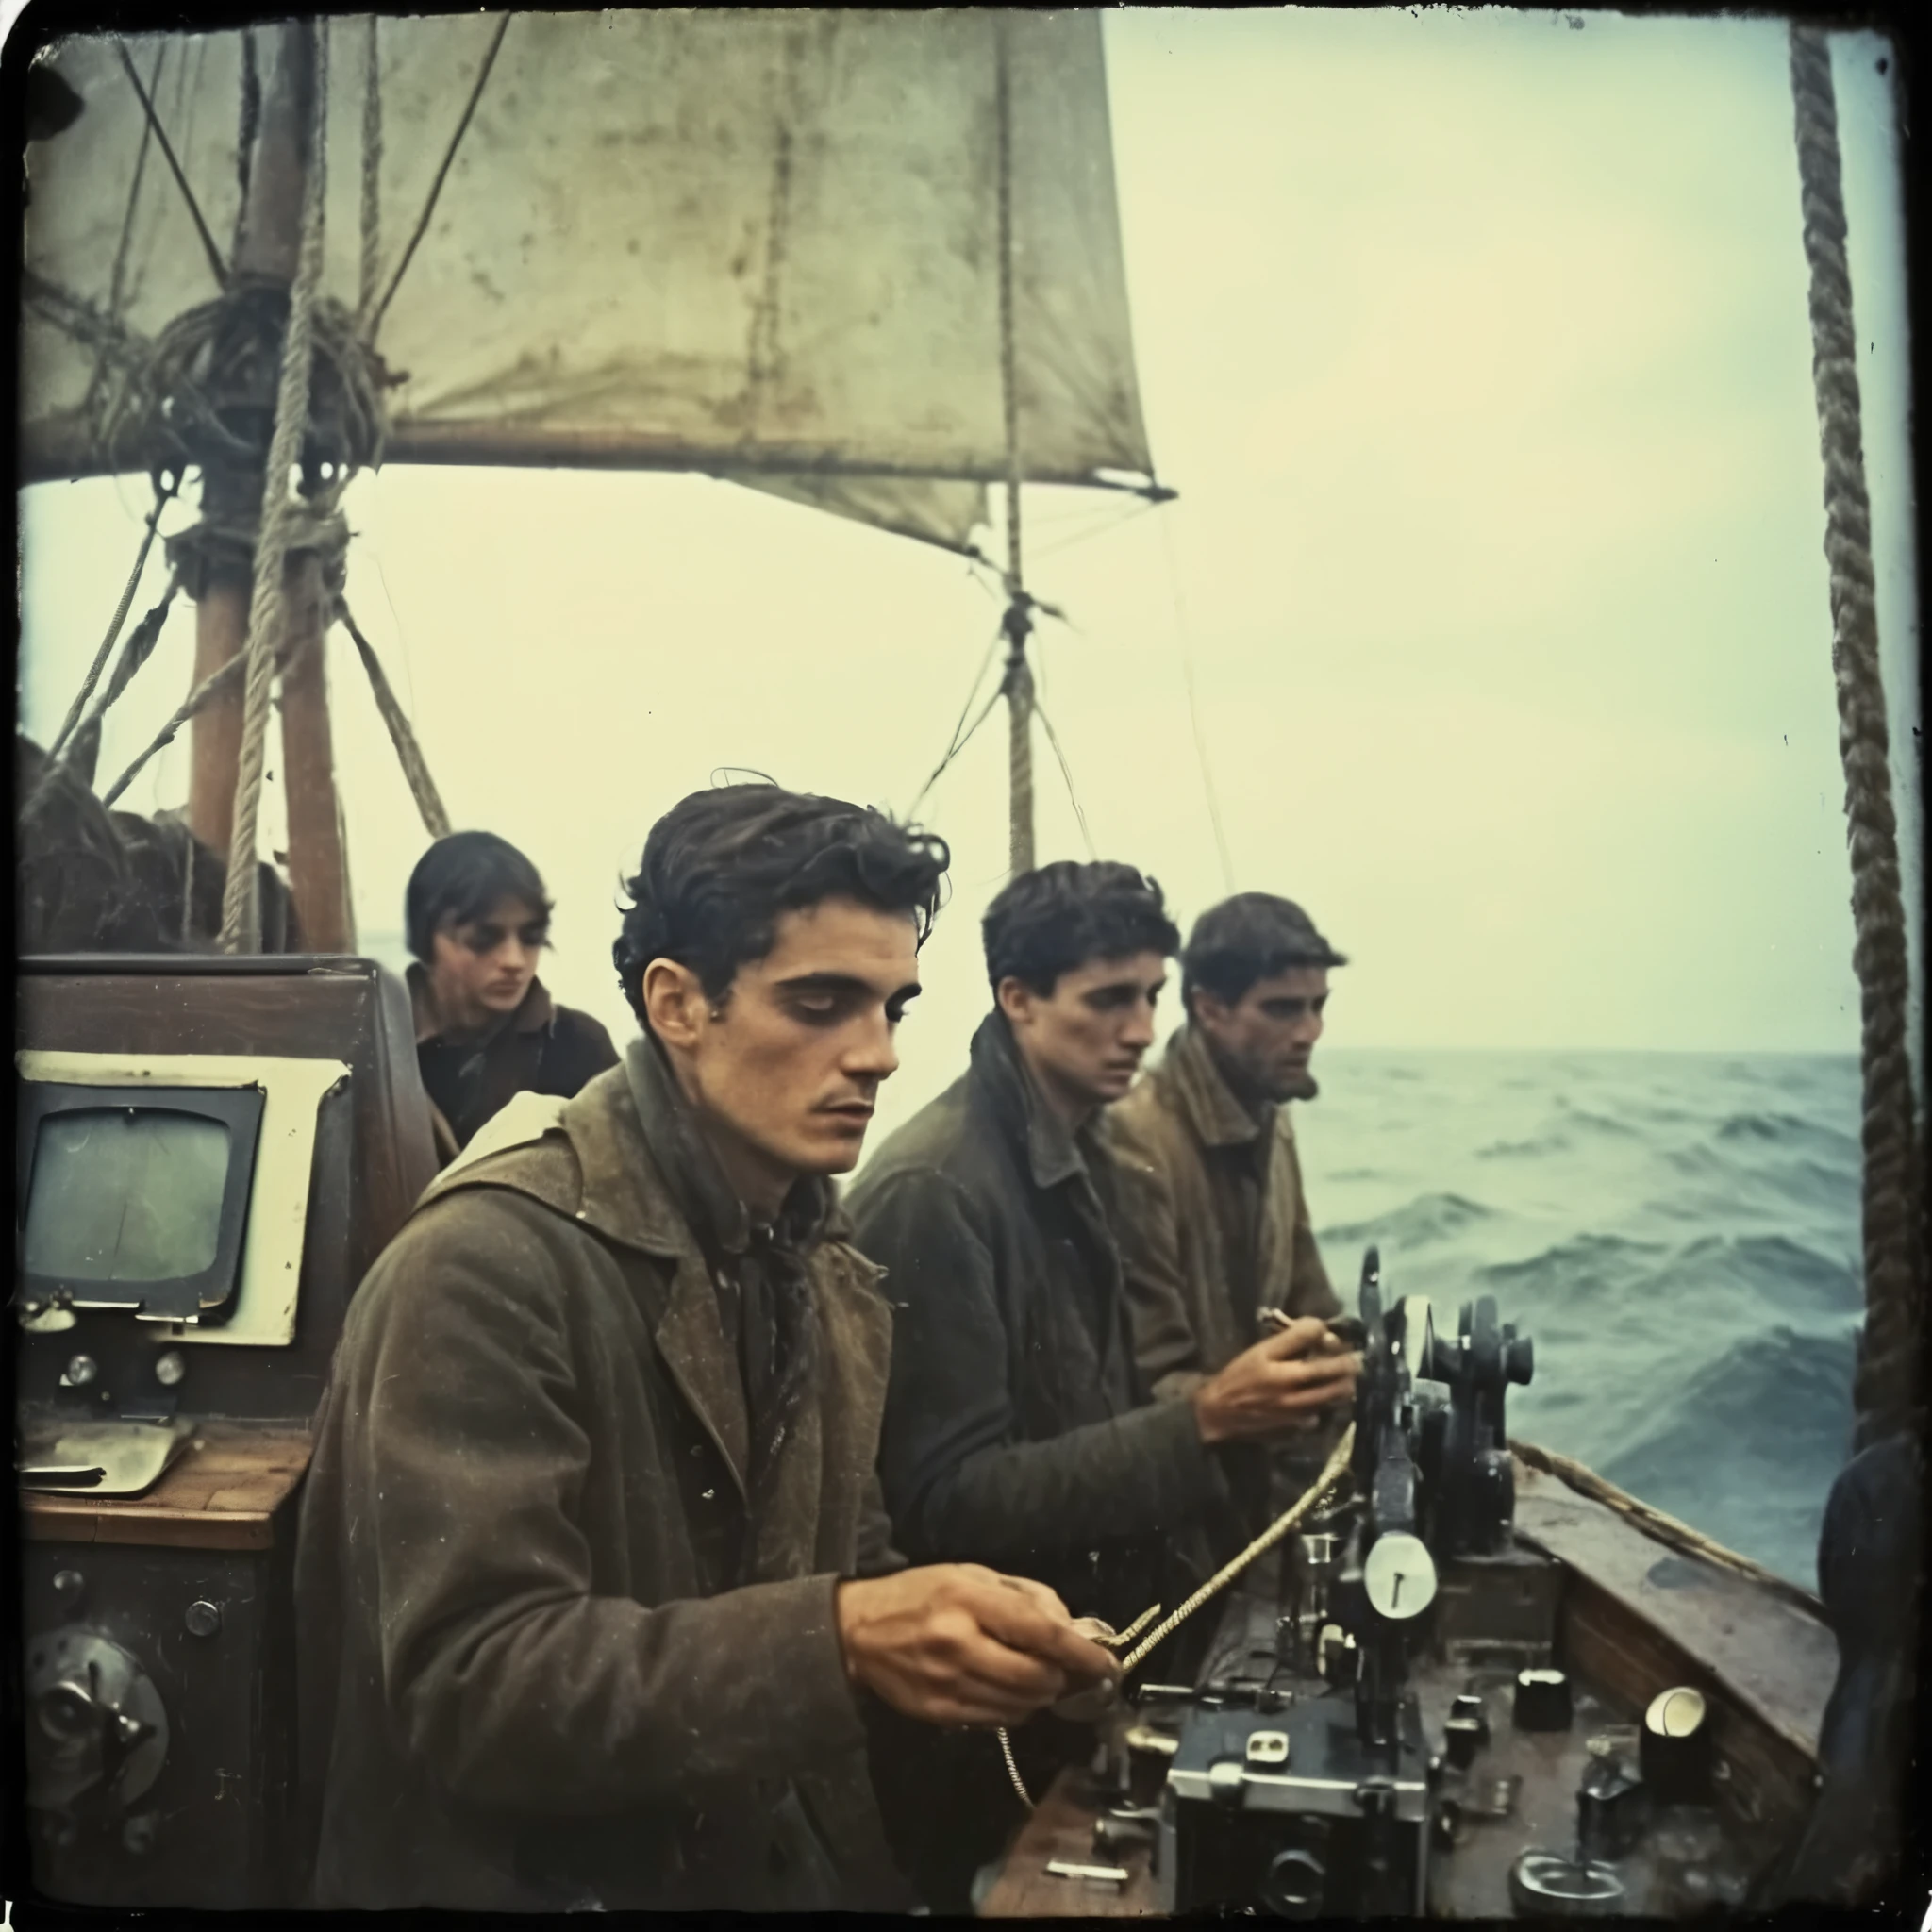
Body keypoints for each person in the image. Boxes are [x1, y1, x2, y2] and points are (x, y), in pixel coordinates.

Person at [294, 785, 1116, 1912]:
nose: (876, 1054)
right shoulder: (485, 1264)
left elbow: (837, 1567)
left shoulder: (819, 1259)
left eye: (891, 1007)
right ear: (677, 1003)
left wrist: (977, 1631)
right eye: (821, 1001)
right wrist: (842, 1638)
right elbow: (469, 1686)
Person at [847, 860, 1359, 1909]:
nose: (1137, 1028)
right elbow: (943, 1503)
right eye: (1107, 999)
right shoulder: (936, 1188)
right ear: (1017, 998)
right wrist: (1207, 1420)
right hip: (984, 1725)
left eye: (1149, 998)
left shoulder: (1087, 1156)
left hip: (1076, 1662)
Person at [1107, 892, 1348, 1533]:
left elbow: (1309, 1297)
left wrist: (1349, 1365)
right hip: (1175, 1512)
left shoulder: (1270, 1112)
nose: (1310, 1031)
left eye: (1317, 1006)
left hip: (1261, 1492)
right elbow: (1145, 1385)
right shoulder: (1135, 1139)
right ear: (1209, 1007)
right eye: (1282, 1009)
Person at [403, 830, 620, 1162]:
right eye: (483, 938)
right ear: (426, 940)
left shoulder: (578, 1046)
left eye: (531, 937)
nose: (514, 961)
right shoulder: (375, 1047)